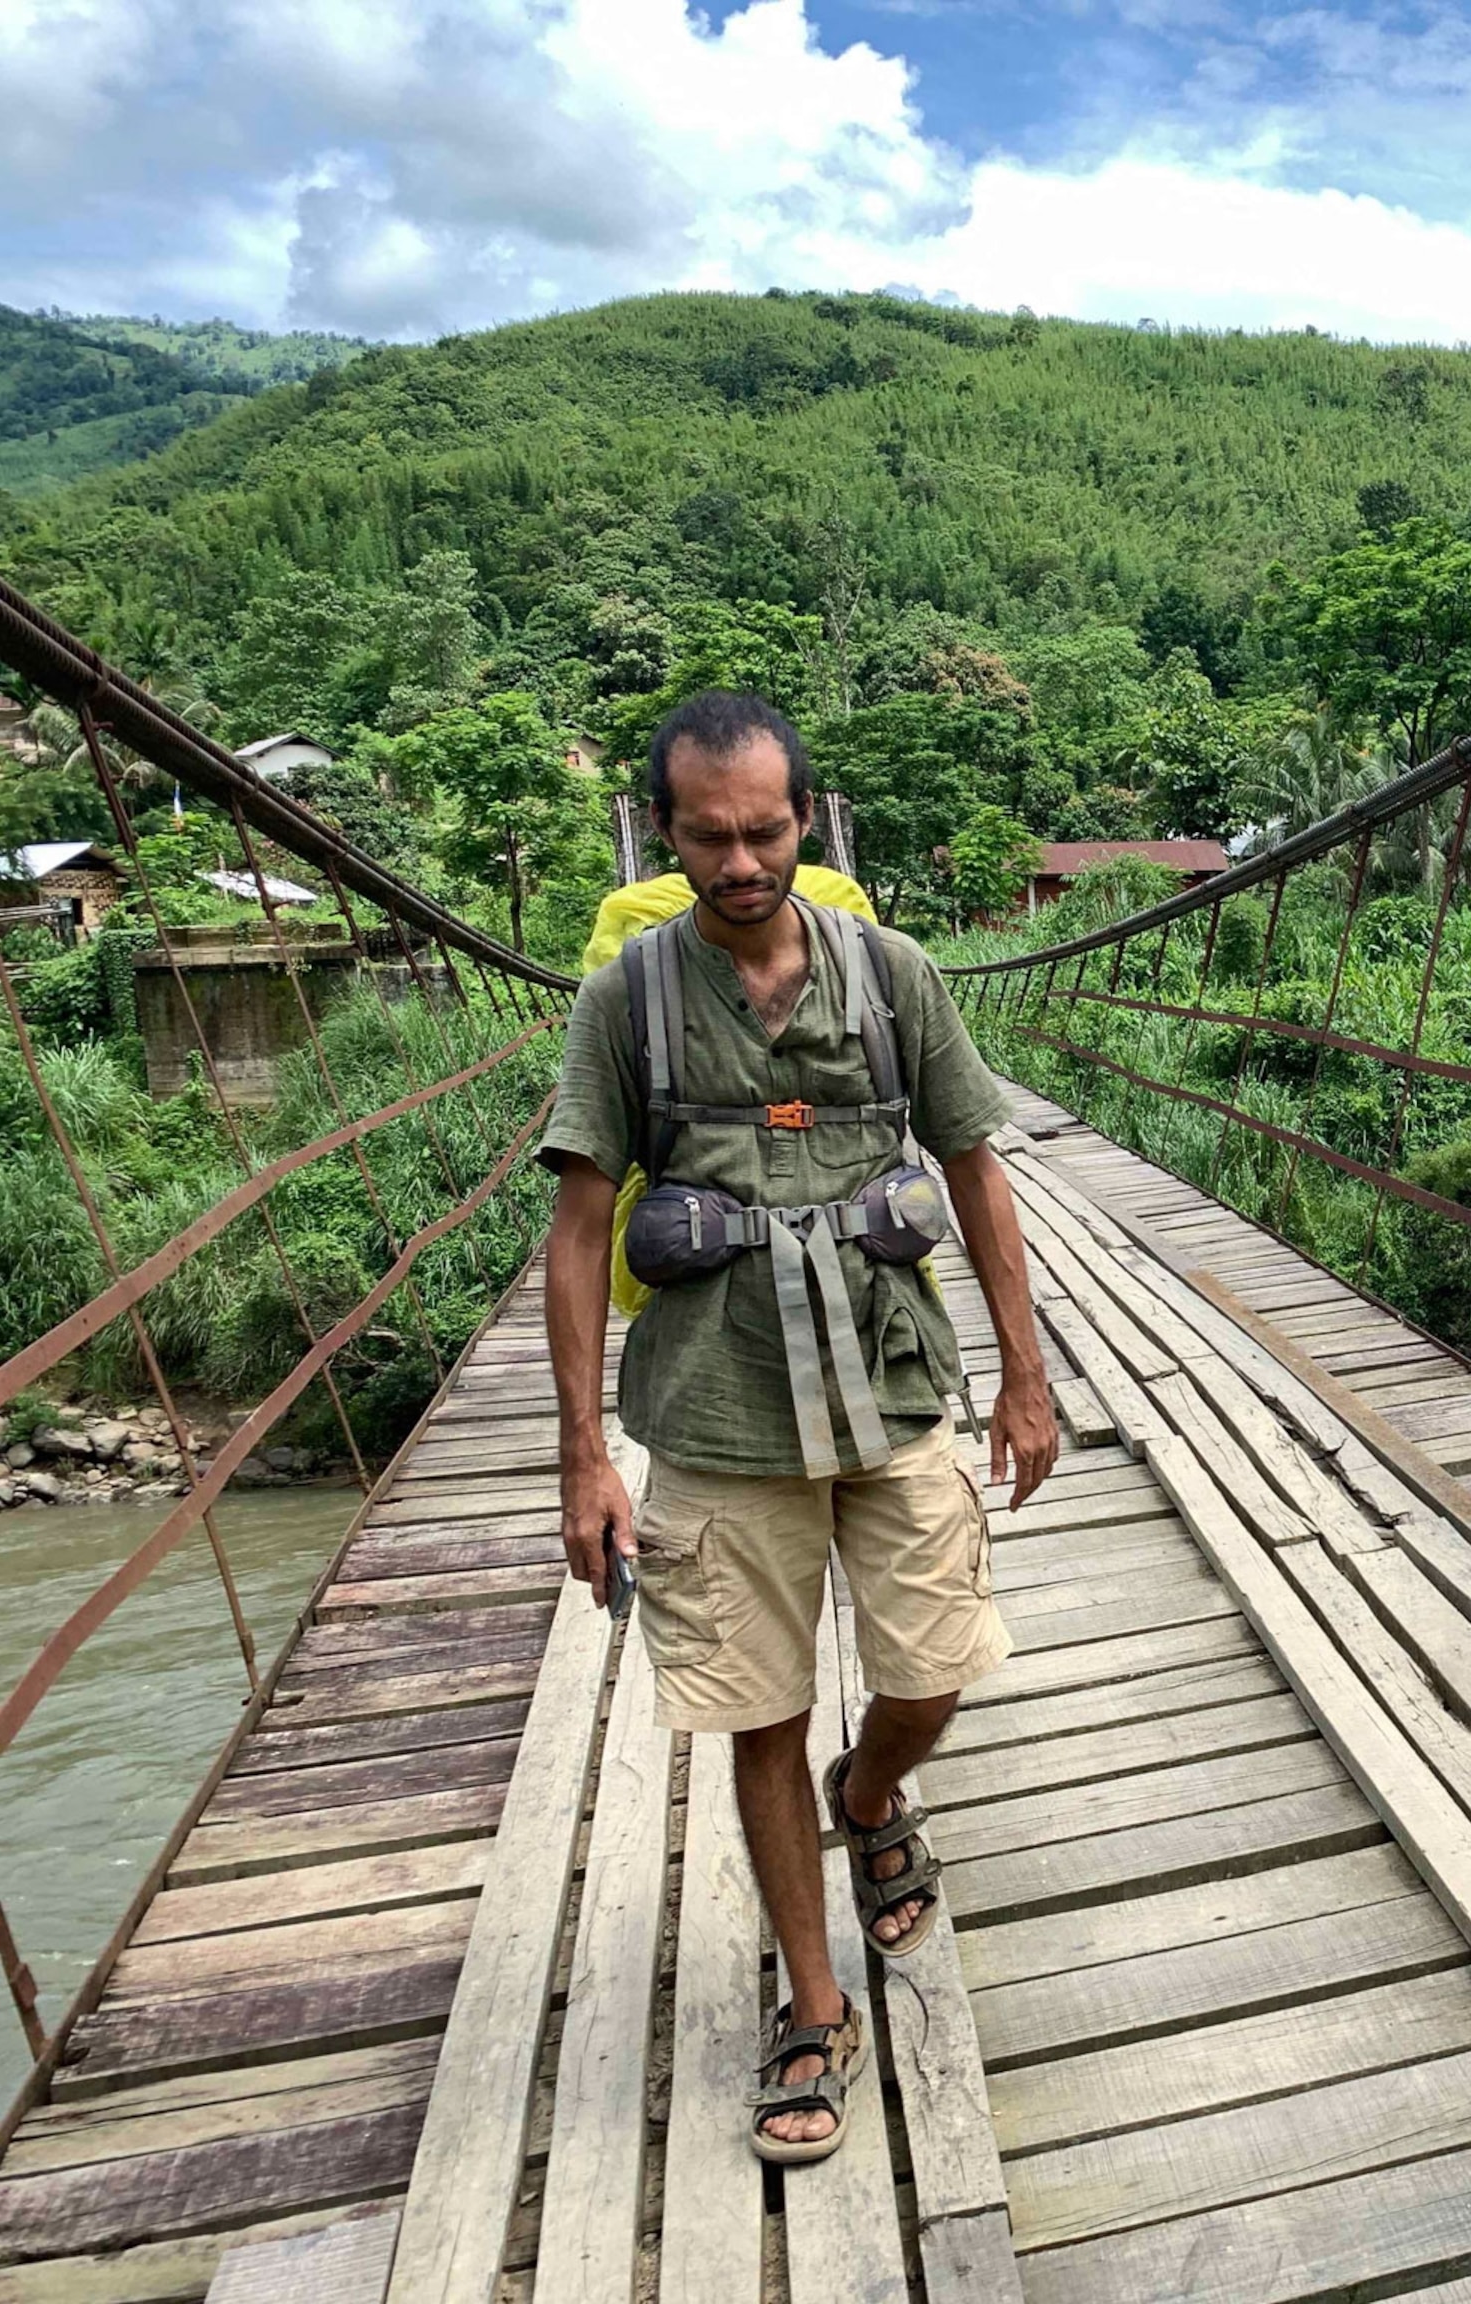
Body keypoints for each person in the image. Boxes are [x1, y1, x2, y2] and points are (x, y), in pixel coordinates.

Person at [541, 689, 1059, 2164]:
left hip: (893, 1385)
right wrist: (582, 1454)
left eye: (765, 830)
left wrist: (1025, 1374)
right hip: (714, 1409)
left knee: (940, 1664)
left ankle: (876, 1786)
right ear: (666, 832)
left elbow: (975, 1168)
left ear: (806, 821)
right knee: (754, 1708)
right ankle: (815, 2002)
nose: (740, 859)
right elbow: (580, 1232)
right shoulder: (624, 1000)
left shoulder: (893, 974)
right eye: (708, 836)